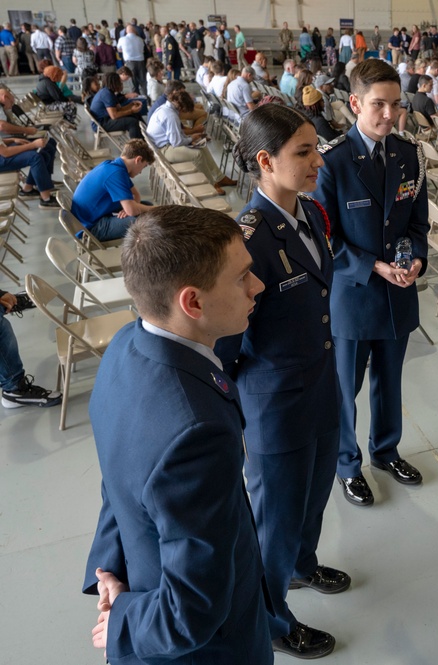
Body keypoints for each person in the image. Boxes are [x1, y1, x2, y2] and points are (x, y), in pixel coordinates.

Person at [80, 206, 272, 665]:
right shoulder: (196, 430)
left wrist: (108, 567)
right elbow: (191, 614)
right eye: (242, 276)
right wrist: (122, 620)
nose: (257, 286)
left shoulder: (127, 346)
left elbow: (119, 477)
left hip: (145, 582)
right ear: (193, 302)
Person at [222, 104, 350, 659]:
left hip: (319, 388)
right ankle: (272, 619)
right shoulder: (246, 238)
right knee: (273, 520)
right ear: (265, 161)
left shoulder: (310, 214)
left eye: (316, 148)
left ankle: (302, 565)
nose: (318, 160)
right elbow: (226, 344)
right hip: (275, 403)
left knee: (314, 495)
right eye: (304, 152)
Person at [313, 58, 429, 507]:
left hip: (398, 293)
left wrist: (416, 259)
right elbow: (325, 237)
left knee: (390, 380)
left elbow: (417, 225)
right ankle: (347, 463)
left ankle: (385, 450)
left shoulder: (409, 155)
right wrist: (373, 266)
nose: (388, 114)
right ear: (354, 103)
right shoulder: (333, 162)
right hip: (354, 295)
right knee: (347, 387)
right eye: (378, 104)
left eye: (395, 105)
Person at [146, 89, 234, 195]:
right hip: (162, 150)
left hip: (163, 145)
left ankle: (219, 178)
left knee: (202, 147)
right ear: (182, 107)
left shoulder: (165, 108)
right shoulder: (171, 115)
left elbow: (176, 135)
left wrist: (191, 138)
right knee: (197, 155)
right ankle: (211, 185)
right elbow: (177, 142)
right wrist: (191, 138)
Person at [70, 139, 154, 240]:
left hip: (91, 218)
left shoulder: (114, 166)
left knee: (146, 206)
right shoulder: (116, 173)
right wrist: (159, 209)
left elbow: (136, 195)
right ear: (138, 159)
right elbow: (132, 210)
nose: (140, 172)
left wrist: (128, 209)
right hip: (91, 228)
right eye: (143, 166)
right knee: (150, 219)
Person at [90, 71, 143, 139]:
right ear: (114, 83)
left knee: (136, 115)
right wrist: (131, 111)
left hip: (106, 119)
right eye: (119, 82)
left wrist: (131, 105)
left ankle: (144, 140)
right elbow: (114, 115)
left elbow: (118, 109)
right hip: (101, 124)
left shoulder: (108, 92)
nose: (121, 84)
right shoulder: (106, 94)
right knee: (132, 122)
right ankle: (136, 146)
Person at [118, 25, 146, 94]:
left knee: (132, 83)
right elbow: (142, 50)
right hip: (141, 62)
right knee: (143, 82)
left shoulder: (122, 39)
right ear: (134, 31)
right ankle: (146, 99)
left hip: (129, 62)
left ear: (126, 31)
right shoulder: (140, 39)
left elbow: (119, 49)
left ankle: (136, 100)